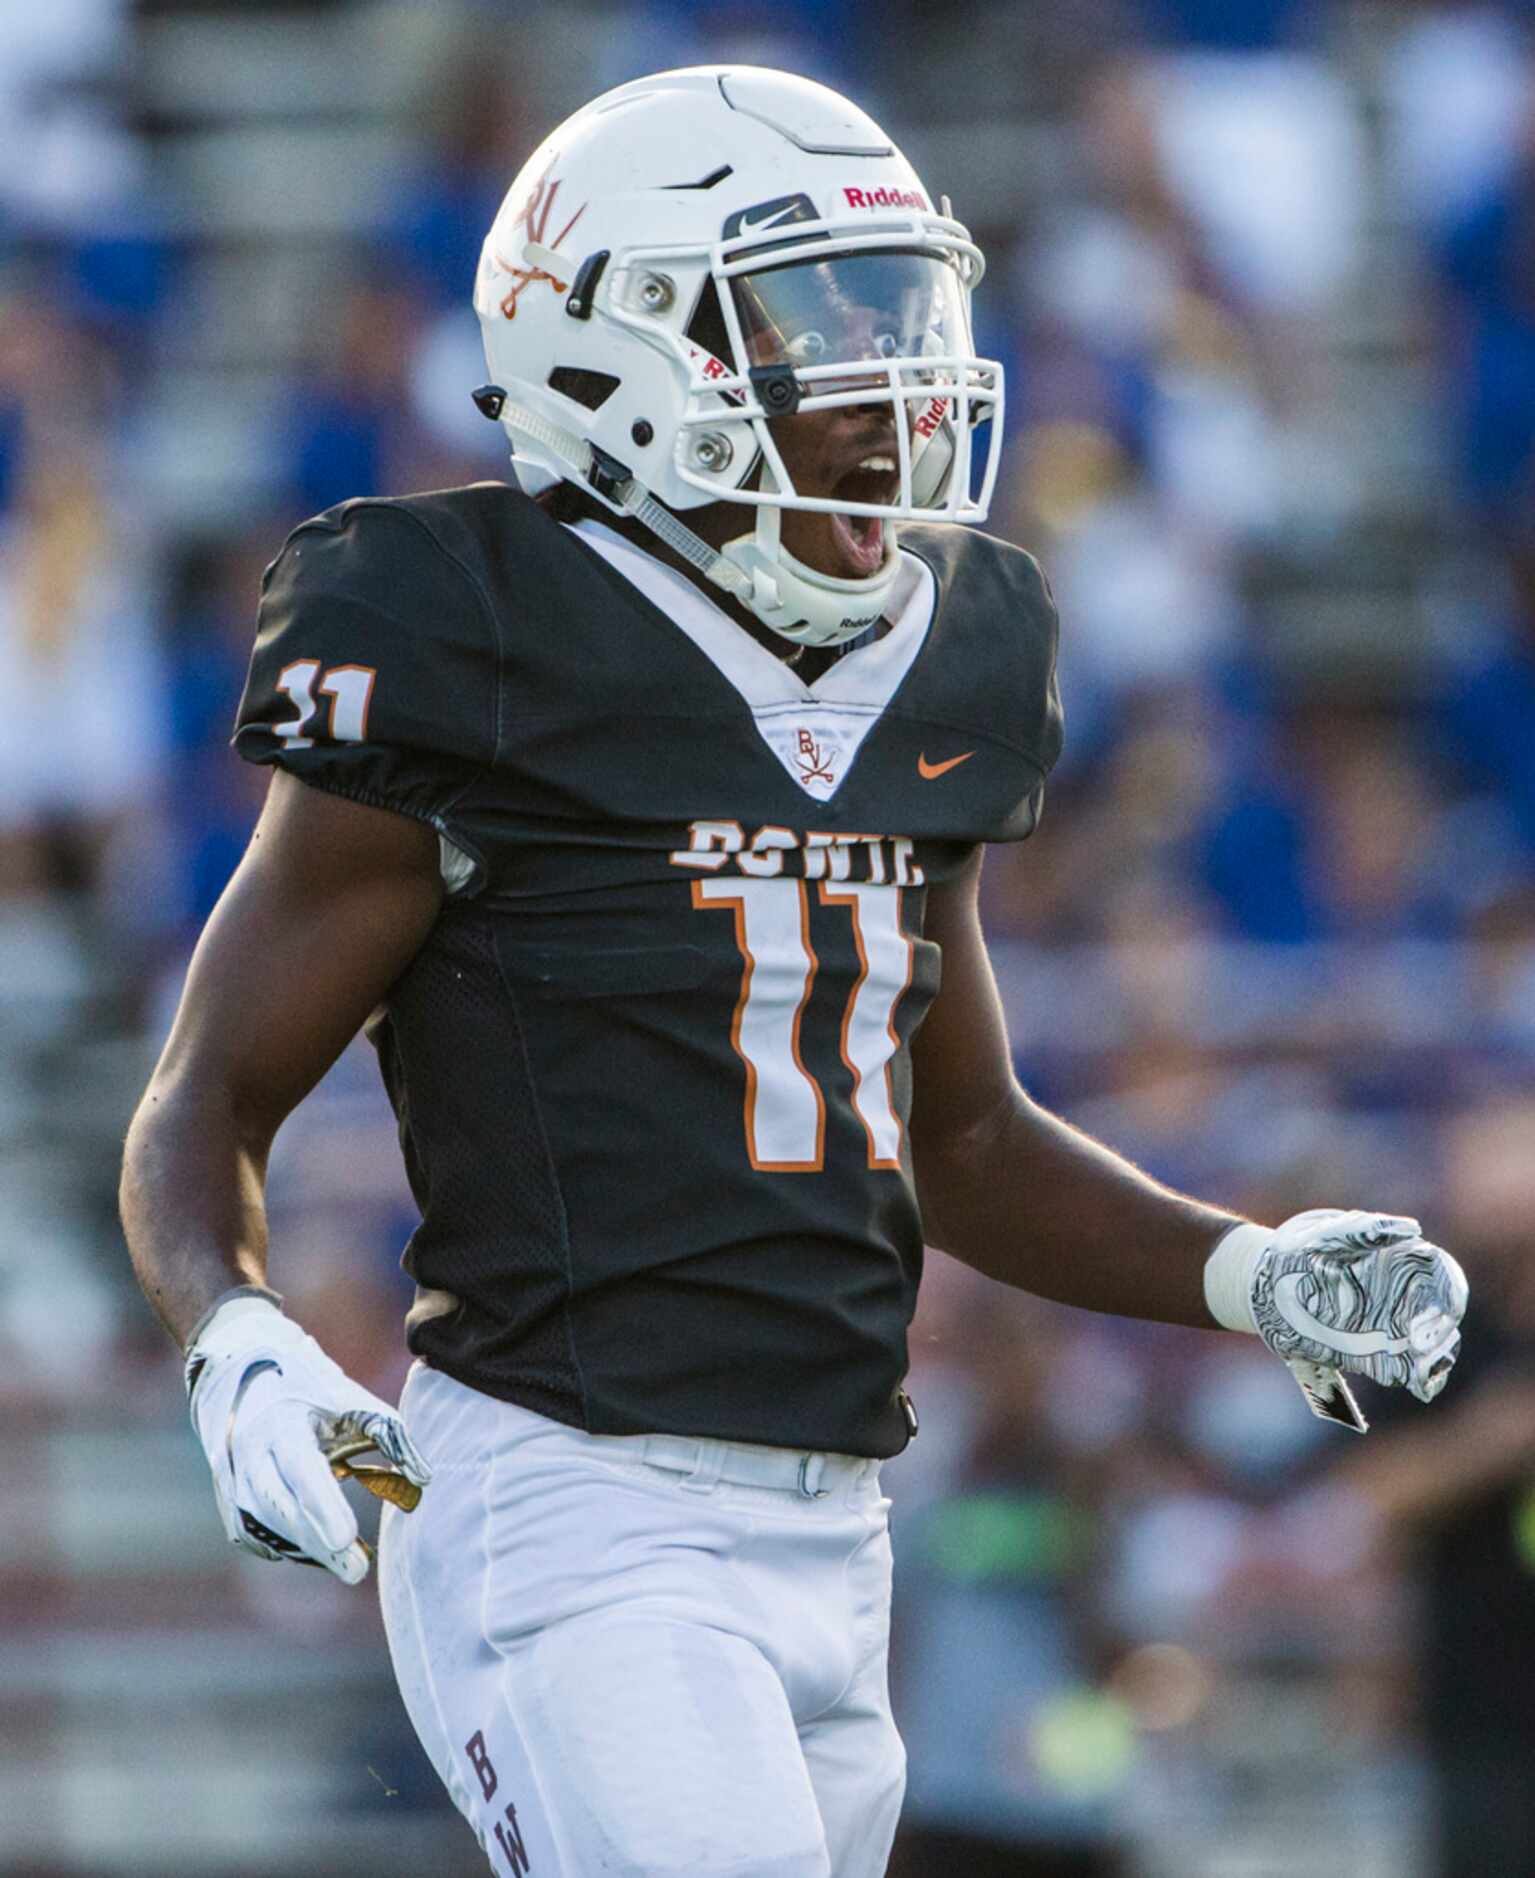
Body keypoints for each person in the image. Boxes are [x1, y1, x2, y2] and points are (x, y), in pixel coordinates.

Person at [119, 66, 1468, 1878]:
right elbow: (203, 1095)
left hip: (842, 1526)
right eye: (824, 316)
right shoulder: (465, 630)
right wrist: (237, 1337)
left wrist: (1249, 1270)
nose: (892, 377)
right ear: (620, 350)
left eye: (902, 311)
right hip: (573, 1499)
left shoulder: (956, 650)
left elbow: (959, 1133)